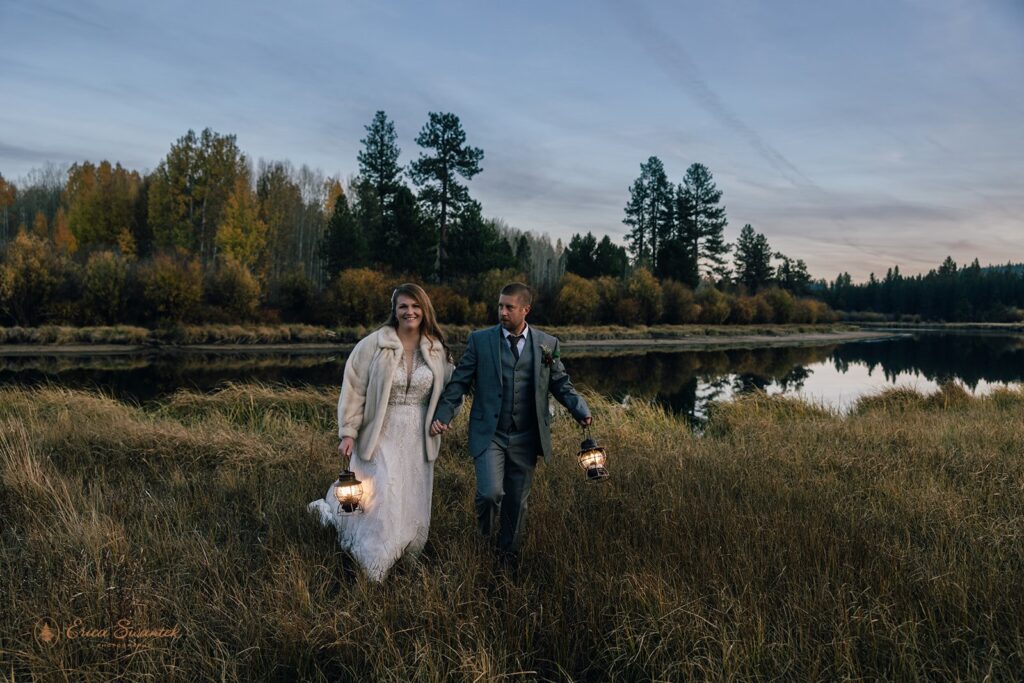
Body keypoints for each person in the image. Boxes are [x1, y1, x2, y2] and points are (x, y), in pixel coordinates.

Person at [431, 282, 592, 559]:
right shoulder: (480, 341)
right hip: (490, 433)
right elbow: (459, 382)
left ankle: (508, 556)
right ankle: (484, 540)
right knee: (490, 493)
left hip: (526, 436)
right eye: (500, 306)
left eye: (509, 307)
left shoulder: (547, 344)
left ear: (525, 309)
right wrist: (443, 415)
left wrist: (581, 409)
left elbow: (560, 383)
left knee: (517, 501)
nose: (502, 312)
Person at [308, 283, 456, 582]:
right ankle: (375, 561)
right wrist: (348, 432)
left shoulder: (436, 348)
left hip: (418, 435)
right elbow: (354, 387)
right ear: (395, 310)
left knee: (411, 493)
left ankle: (408, 551)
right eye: (403, 306)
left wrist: (444, 416)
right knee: (382, 493)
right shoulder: (374, 344)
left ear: (424, 309)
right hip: (380, 430)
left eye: (415, 306)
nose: (409, 312)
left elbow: (453, 390)